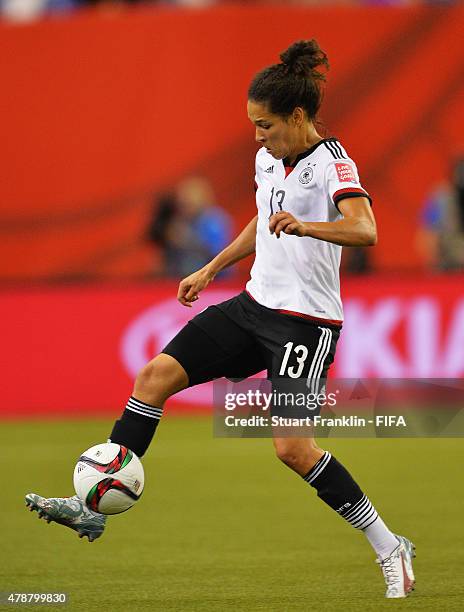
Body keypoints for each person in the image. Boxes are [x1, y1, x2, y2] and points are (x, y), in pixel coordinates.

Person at [25, 40, 415, 599]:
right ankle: (96, 507)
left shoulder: (334, 163)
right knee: (154, 376)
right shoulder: (266, 159)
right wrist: (210, 269)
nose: (257, 136)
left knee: (292, 449)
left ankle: (389, 545)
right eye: (254, 125)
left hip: (304, 323)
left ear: (298, 116)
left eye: (266, 125)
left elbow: (366, 229)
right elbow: (262, 221)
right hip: (252, 306)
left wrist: (308, 227)